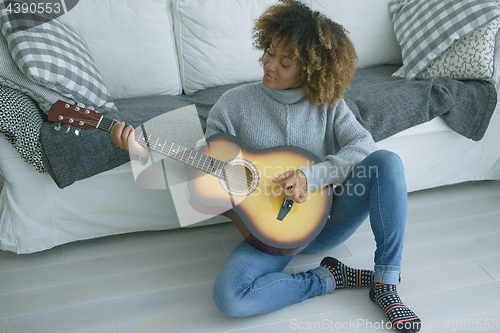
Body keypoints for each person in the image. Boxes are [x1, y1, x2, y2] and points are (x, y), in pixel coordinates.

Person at [110, 1, 421, 331]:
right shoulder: (233, 104)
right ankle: (328, 277)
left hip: (329, 220)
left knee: (386, 162)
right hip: (273, 234)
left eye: (285, 62)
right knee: (229, 296)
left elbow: (363, 147)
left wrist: (310, 176)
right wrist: (146, 153)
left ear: (310, 70)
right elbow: (203, 170)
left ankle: (385, 283)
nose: (269, 65)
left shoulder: (328, 103)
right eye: (270, 52)